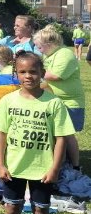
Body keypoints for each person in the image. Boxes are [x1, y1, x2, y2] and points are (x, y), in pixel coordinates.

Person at [0, 52, 72, 214]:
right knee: (11, 209)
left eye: (33, 72)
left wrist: (54, 168)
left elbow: (61, 138)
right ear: (15, 73)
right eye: (23, 72)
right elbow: (1, 135)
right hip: (14, 167)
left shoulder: (54, 103)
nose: (28, 76)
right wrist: (0, 164)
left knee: (41, 211)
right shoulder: (8, 101)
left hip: (43, 169)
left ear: (42, 73)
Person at [33, 27, 83, 170]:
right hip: (53, 101)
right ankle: (60, 164)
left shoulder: (65, 53)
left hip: (69, 102)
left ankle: (75, 166)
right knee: (56, 136)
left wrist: (33, 72)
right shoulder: (49, 56)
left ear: (49, 44)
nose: (39, 50)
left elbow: (55, 75)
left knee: (67, 135)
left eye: (40, 46)